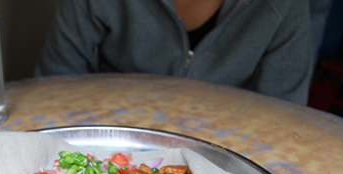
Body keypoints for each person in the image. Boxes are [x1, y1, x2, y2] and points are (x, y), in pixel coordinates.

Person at [35, 0, 314, 105]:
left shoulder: (284, 7)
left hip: (227, 155)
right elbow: (54, 91)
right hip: (112, 145)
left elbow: (285, 115)